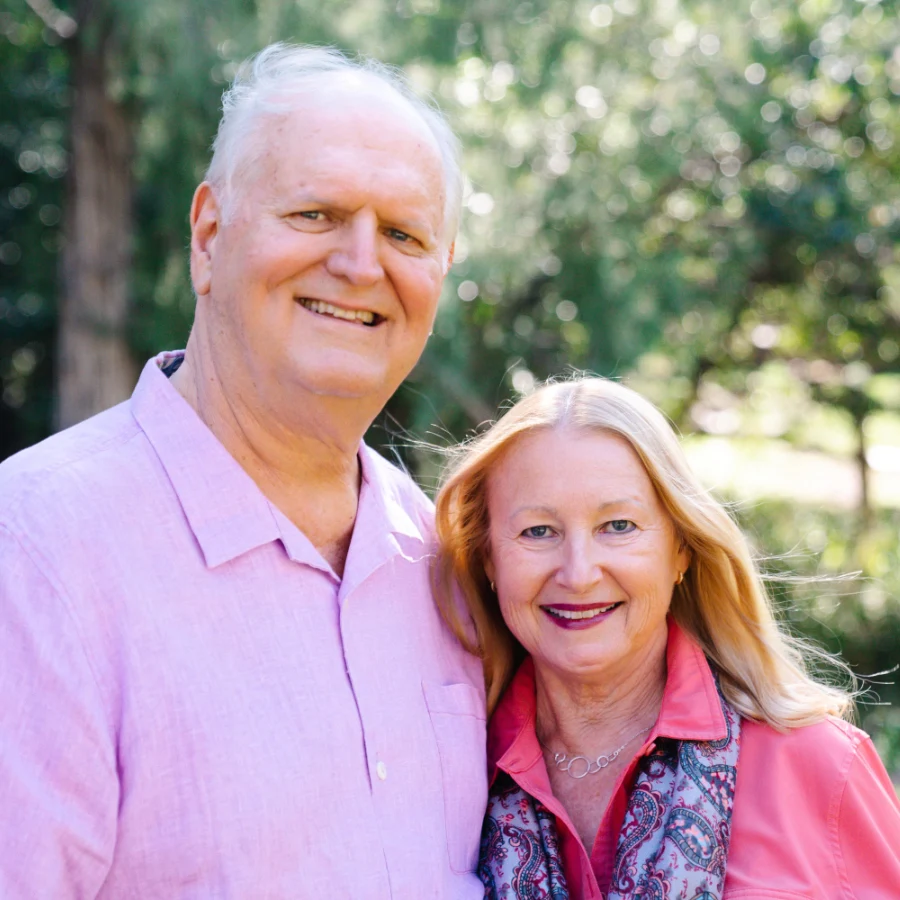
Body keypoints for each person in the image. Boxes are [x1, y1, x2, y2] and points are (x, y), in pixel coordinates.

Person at [0, 44, 487, 898]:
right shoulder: (35, 552)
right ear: (210, 235)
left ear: (441, 273)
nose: (361, 263)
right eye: (315, 214)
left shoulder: (451, 565)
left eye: (404, 234)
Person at [435, 376, 900, 899]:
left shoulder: (819, 766)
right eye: (537, 532)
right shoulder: (444, 771)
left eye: (618, 525)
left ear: (681, 548)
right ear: (489, 559)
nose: (579, 572)